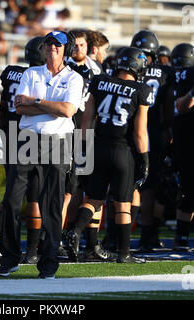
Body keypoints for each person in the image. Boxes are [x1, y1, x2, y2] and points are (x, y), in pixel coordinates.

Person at [0, 30, 83, 278]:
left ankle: (48, 263)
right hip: (27, 139)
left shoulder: (74, 78)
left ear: (66, 49)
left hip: (57, 142)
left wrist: (38, 101)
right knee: (12, 200)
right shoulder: (30, 73)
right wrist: (45, 105)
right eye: (49, 43)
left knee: (51, 206)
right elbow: (19, 105)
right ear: (43, 48)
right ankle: (10, 258)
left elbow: (67, 110)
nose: (52, 47)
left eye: (57, 44)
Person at [65, 46, 154, 263]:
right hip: (122, 150)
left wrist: (83, 149)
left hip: (97, 146)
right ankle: (124, 254)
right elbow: (140, 132)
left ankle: (74, 231)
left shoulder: (100, 81)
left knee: (94, 198)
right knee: (122, 203)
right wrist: (144, 159)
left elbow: (87, 121)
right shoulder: (141, 90)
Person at [0, 36, 46, 264]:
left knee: (13, 192)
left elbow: (1, 109)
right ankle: (32, 250)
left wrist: (3, 132)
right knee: (34, 197)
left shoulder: (11, 72)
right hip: (30, 137)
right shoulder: (41, 77)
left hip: (10, 135)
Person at [130, 30, 175, 252]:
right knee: (149, 188)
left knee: (128, 187)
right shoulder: (165, 73)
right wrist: (168, 127)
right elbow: (168, 106)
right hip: (153, 134)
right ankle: (148, 235)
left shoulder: (128, 69)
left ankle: (118, 235)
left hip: (129, 133)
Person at [169, 43, 194, 251]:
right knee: (187, 189)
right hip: (187, 139)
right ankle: (182, 235)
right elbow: (181, 106)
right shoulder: (186, 76)